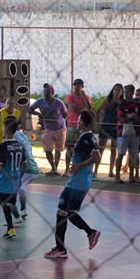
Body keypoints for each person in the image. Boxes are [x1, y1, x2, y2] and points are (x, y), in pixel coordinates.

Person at [44, 111, 101, 259]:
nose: (77, 121)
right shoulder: (85, 137)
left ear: (83, 122)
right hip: (78, 181)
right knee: (65, 212)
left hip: (78, 182)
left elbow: (97, 156)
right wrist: (71, 156)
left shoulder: (87, 137)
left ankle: (63, 246)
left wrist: (79, 165)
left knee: (64, 212)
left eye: (80, 119)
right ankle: (67, 244)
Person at [27, 83, 68, 176]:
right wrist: (37, 114)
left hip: (60, 128)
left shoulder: (59, 102)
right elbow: (29, 109)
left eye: (48, 91)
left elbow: (66, 114)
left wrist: (59, 120)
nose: (45, 93)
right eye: (44, 91)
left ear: (52, 92)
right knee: (47, 149)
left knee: (58, 149)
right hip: (48, 128)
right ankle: (53, 168)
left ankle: (55, 168)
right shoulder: (40, 101)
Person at [63, 79, 92, 175]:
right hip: (72, 124)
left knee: (82, 148)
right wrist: (83, 109)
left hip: (83, 126)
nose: (76, 87)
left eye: (78, 86)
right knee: (70, 148)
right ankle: (67, 169)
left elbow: (89, 108)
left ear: (82, 87)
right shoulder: (70, 97)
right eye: (75, 85)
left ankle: (79, 167)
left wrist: (83, 96)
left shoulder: (86, 97)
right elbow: (73, 109)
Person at [95, 83, 123, 178]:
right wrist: (97, 124)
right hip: (106, 126)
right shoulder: (108, 99)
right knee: (101, 149)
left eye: (119, 90)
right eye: (115, 89)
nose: (116, 91)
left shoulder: (122, 102)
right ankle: (95, 171)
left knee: (113, 150)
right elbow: (98, 111)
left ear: (122, 92)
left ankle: (111, 171)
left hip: (116, 128)